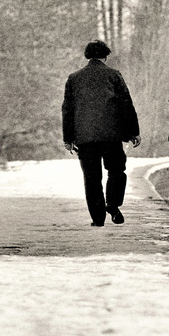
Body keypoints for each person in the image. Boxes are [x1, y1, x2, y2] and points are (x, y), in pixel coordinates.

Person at [62, 40, 141, 227]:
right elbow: (125, 105)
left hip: (85, 137)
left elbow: (67, 110)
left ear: (87, 55)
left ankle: (98, 219)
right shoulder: (113, 75)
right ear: (106, 56)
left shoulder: (74, 78)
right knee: (116, 170)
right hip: (111, 136)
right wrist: (133, 132)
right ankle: (112, 204)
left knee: (92, 178)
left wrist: (68, 138)